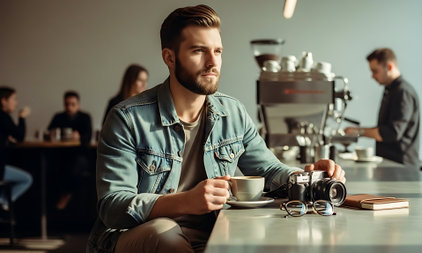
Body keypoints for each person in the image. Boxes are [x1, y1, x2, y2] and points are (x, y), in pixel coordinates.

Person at [87, 5, 346, 253]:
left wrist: (308, 176)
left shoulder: (232, 113)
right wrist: (187, 201)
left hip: (214, 231)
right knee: (163, 233)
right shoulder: (127, 118)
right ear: (169, 57)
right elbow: (112, 207)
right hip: (137, 236)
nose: (213, 62)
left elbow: (269, 170)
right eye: (199, 51)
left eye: (218, 51)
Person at [345, 48, 420, 167]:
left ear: (389, 67)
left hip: (401, 166)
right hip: (391, 164)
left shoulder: (403, 92)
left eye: (375, 71)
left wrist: (359, 132)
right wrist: (356, 131)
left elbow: (392, 132)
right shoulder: (390, 90)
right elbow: (385, 127)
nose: (372, 76)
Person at [48, 90, 93, 210]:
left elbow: (88, 136)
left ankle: (66, 194)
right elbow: (49, 133)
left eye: (72, 104)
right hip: (61, 154)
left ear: (78, 104)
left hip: (79, 154)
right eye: (67, 104)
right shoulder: (59, 117)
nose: (69, 107)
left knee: (77, 165)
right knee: (51, 166)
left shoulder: (85, 117)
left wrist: (79, 137)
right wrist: (53, 134)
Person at [0, 86, 33, 211]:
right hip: (0, 169)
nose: (16, 102)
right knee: (27, 179)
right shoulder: (3, 116)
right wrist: (22, 117)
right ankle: (3, 200)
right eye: (14, 99)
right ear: (3, 100)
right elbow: (19, 136)